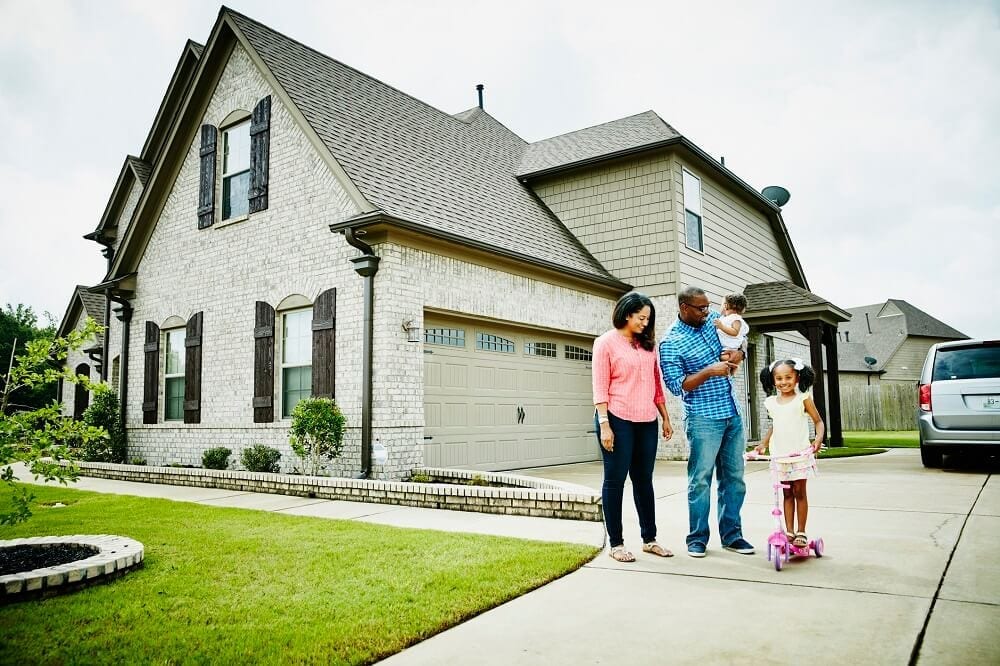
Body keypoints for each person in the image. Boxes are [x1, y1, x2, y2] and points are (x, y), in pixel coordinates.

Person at [658, 286, 755, 558]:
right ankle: (697, 538)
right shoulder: (672, 341)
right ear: (684, 308)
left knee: (734, 479)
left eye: (708, 306)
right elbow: (677, 386)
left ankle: (732, 536)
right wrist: (709, 370)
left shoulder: (714, 319)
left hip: (732, 412)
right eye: (700, 308)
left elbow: (741, 340)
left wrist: (740, 355)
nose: (707, 312)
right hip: (703, 417)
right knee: (700, 480)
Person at [592, 291, 674, 562]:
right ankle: (616, 544)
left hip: (646, 420)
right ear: (627, 314)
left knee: (643, 481)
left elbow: (655, 384)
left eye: (648, 319)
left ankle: (649, 539)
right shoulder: (605, 343)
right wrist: (605, 425)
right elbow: (600, 388)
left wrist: (665, 416)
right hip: (616, 418)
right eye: (641, 318)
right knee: (615, 481)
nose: (645, 323)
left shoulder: (648, 346)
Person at [754, 358, 825, 548]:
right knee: (786, 494)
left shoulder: (803, 398)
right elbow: (774, 425)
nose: (783, 382)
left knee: (799, 492)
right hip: (780, 456)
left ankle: (801, 531)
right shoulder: (770, 402)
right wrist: (763, 444)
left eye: (788, 377)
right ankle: (789, 532)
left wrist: (817, 439)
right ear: (773, 380)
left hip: (799, 454)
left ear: (797, 377)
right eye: (779, 378)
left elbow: (818, 421)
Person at [714, 294, 749, 374]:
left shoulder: (735, 319)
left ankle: (733, 369)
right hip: (726, 347)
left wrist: (721, 326)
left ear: (726, 306)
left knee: (721, 357)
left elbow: (735, 332)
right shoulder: (724, 318)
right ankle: (732, 369)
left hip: (730, 347)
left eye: (722, 304)